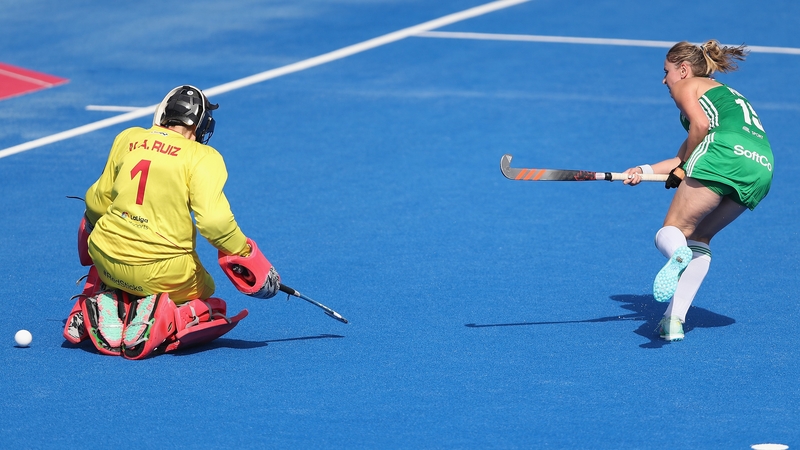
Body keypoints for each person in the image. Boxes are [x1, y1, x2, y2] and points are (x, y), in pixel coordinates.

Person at [63, 85, 281, 359]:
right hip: (165, 273)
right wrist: (247, 254)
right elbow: (215, 223)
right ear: (201, 127)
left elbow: (96, 202)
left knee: (113, 255)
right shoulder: (202, 157)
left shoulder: (128, 138)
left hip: (106, 260)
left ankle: (107, 295)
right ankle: (167, 316)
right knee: (208, 291)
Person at [623, 40, 774, 341]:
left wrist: (681, 172)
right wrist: (645, 170)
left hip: (723, 153)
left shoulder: (687, 86)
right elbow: (685, 154)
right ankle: (673, 321)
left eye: (666, 71)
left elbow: (701, 128)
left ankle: (677, 255)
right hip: (761, 166)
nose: (664, 80)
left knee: (671, 231)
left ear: (683, 68)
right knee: (699, 239)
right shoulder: (722, 94)